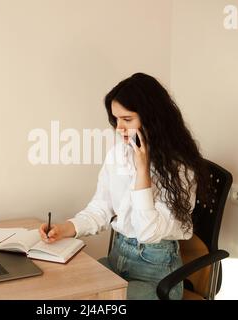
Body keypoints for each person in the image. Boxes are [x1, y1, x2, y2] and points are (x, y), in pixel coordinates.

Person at [39, 72, 209, 300]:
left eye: (127, 120)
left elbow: (148, 232)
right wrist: (65, 228)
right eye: (116, 119)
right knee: (65, 292)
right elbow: (101, 207)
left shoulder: (180, 168)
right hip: (117, 259)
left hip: (157, 275)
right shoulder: (118, 154)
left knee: (96, 303)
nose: (119, 128)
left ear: (152, 118)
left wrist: (142, 171)